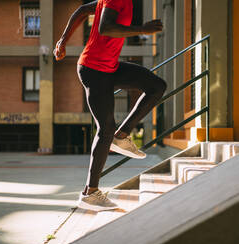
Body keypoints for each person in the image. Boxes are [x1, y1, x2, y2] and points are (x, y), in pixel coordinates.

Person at [54, 0, 166, 211]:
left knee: (156, 86)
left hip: (109, 67)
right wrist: (142, 29)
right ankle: (90, 192)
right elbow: (106, 27)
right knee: (105, 129)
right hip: (94, 69)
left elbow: (83, 10)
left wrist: (62, 41)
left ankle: (122, 136)